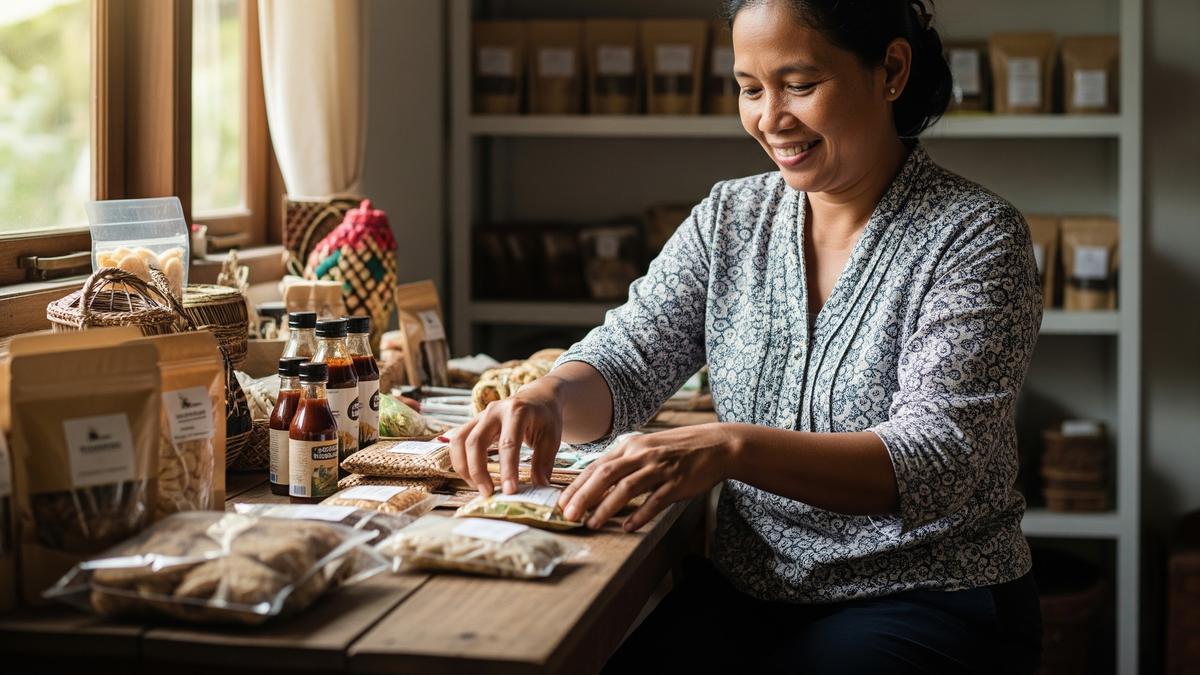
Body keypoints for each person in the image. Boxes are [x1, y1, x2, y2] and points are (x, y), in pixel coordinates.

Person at [449, 0, 1043, 672]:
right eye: (749, 88)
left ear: (892, 70)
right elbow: (629, 358)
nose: (769, 118)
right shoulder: (731, 217)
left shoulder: (975, 236)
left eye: (798, 85)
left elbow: (936, 459)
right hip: (753, 591)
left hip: (928, 595)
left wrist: (730, 447)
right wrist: (549, 398)